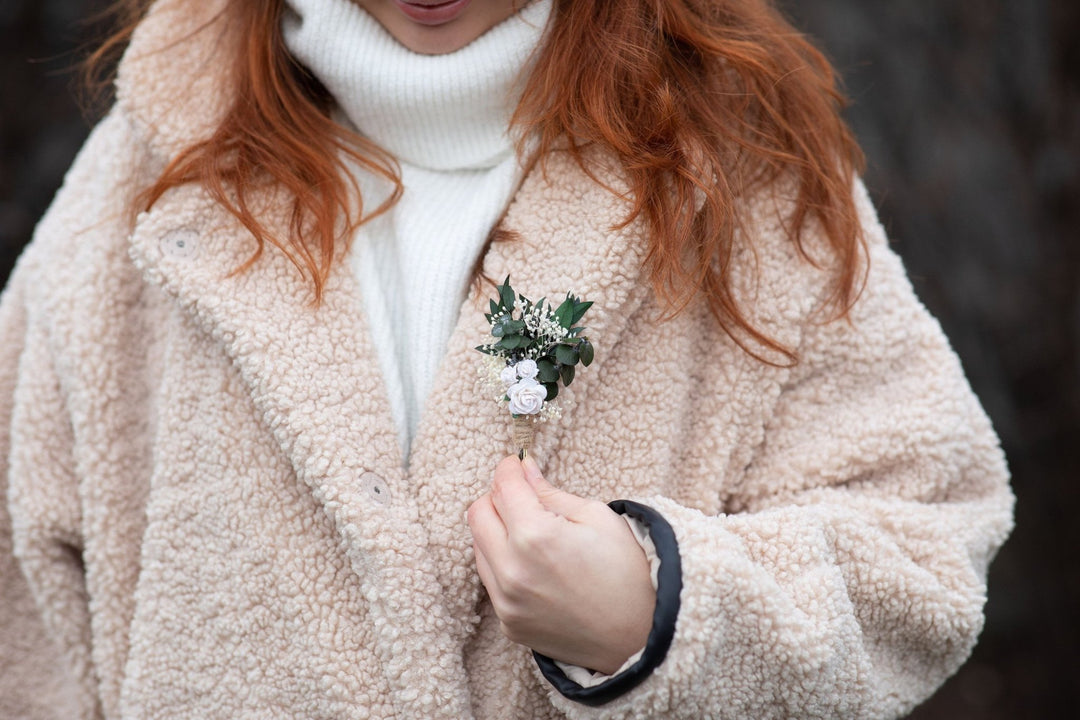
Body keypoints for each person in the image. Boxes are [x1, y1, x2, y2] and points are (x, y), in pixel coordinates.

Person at [0, 0, 1013, 717]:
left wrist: (659, 608)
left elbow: (926, 541)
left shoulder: (736, 169)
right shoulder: (152, 174)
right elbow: (22, 609)